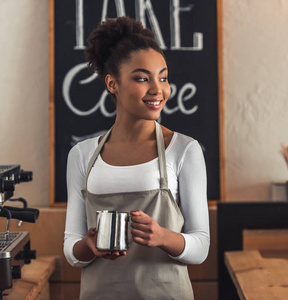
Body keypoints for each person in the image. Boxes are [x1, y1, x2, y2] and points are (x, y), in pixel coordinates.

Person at [63, 16, 210, 300]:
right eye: (142, 78)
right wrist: (88, 246)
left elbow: (201, 247)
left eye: (163, 77)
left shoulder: (184, 150)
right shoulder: (82, 156)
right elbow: (72, 250)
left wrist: (163, 237)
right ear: (112, 83)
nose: (158, 89)